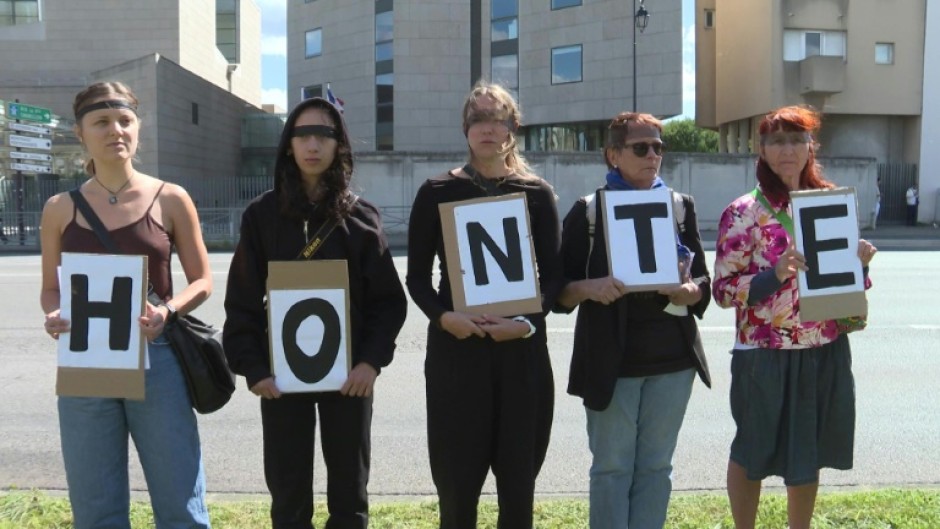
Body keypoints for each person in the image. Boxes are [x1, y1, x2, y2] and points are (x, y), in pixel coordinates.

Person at [223, 96, 407, 529]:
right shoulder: (260, 217)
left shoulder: (361, 218)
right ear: (288, 144)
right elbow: (242, 303)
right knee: (288, 496)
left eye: (324, 134)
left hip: (349, 380)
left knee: (350, 495)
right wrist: (254, 370)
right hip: (281, 379)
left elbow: (388, 302)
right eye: (303, 134)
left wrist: (369, 363)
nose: (313, 144)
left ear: (339, 145)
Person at [39, 82, 213, 528]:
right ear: (81, 133)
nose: (115, 130)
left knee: (180, 503)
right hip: (85, 361)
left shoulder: (170, 198)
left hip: (157, 358)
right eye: (101, 122)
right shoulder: (60, 208)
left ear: (137, 128)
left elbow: (203, 281)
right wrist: (54, 315)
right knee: (95, 506)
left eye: (125, 120)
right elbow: (50, 288)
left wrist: (167, 312)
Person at [406, 81, 562, 529]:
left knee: (518, 491)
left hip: (522, 355)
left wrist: (528, 325)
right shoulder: (436, 191)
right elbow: (417, 279)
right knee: (457, 493)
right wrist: (443, 318)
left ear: (513, 127)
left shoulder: (536, 193)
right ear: (465, 129)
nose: (487, 129)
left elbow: (553, 278)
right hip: (458, 353)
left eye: (496, 119)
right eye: (477, 119)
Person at [712, 105, 877, 529]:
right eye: (776, 140)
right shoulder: (743, 212)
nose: (787, 149)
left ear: (810, 147)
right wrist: (775, 274)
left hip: (823, 347)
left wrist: (861, 265)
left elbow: (840, 286)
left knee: (808, 452)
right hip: (763, 352)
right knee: (752, 452)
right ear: (762, 149)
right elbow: (722, 290)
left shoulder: (830, 202)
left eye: (796, 139)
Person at [555, 112, 712, 529]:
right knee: (611, 469)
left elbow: (703, 284)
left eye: (659, 147)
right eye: (641, 147)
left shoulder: (679, 207)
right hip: (612, 364)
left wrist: (689, 291)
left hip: (674, 364)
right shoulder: (588, 213)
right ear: (612, 154)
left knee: (656, 469)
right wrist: (590, 288)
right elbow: (558, 293)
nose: (653, 155)